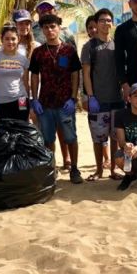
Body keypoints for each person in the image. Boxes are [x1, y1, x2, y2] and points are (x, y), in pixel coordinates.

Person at [29, 14, 83, 184]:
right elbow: (34, 76)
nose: (50, 30)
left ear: (59, 27)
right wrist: (34, 99)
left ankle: (74, 168)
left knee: (71, 138)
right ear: (42, 30)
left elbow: (75, 75)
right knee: (48, 139)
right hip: (45, 104)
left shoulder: (69, 50)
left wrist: (73, 98)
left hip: (65, 103)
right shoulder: (38, 52)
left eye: (53, 26)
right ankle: (51, 168)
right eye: (46, 27)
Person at [82, 8, 124, 180]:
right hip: (98, 101)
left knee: (114, 138)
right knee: (98, 139)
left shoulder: (117, 45)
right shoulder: (89, 46)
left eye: (108, 20)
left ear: (112, 23)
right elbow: (86, 74)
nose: (106, 23)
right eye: (102, 20)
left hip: (117, 100)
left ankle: (113, 169)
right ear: (97, 23)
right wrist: (90, 96)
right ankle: (99, 170)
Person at [0, 25, 30, 123]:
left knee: (20, 131)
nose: (10, 42)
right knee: (5, 134)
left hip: (21, 100)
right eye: (7, 39)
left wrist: (29, 105)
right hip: (1, 102)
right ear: (2, 40)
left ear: (18, 39)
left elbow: (26, 84)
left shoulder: (23, 59)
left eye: (13, 39)